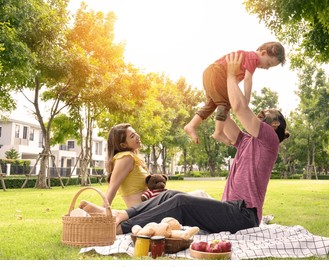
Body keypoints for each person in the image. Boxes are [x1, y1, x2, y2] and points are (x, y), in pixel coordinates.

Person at [81, 52, 289, 235]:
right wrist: (216, 86)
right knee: (169, 195)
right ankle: (120, 214)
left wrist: (231, 76)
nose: (262, 112)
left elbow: (239, 107)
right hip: (228, 209)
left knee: (182, 203)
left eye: (267, 112)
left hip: (244, 216)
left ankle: (119, 228)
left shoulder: (269, 140)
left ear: (275, 123)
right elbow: (225, 114)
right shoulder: (246, 140)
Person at [184, 42, 285, 145]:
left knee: (211, 105)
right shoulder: (252, 58)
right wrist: (246, 100)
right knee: (225, 104)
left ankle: (191, 125)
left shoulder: (246, 58)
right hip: (217, 72)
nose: (267, 68)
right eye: (268, 64)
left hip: (210, 73)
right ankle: (218, 132)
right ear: (263, 53)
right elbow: (247, 79)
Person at [104, 123, 149, 208]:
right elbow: (112, 189)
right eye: (132, 136)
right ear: (123, 145)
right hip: (141, 212)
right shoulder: (126, 158)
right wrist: (101, 213)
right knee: (179, 199)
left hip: (150, 208)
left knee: (178, 198)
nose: (138, 136)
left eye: (135, 133)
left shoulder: (133, 158)